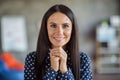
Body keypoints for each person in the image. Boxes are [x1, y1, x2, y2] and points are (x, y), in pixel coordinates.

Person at [24, 4, 93, 80]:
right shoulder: (32, 58)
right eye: (53, 26)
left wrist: (64, 70)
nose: (59, 32)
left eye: (65, 26)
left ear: (72, 30)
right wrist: (53, 70)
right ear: (45, 29)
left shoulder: (83, 59)